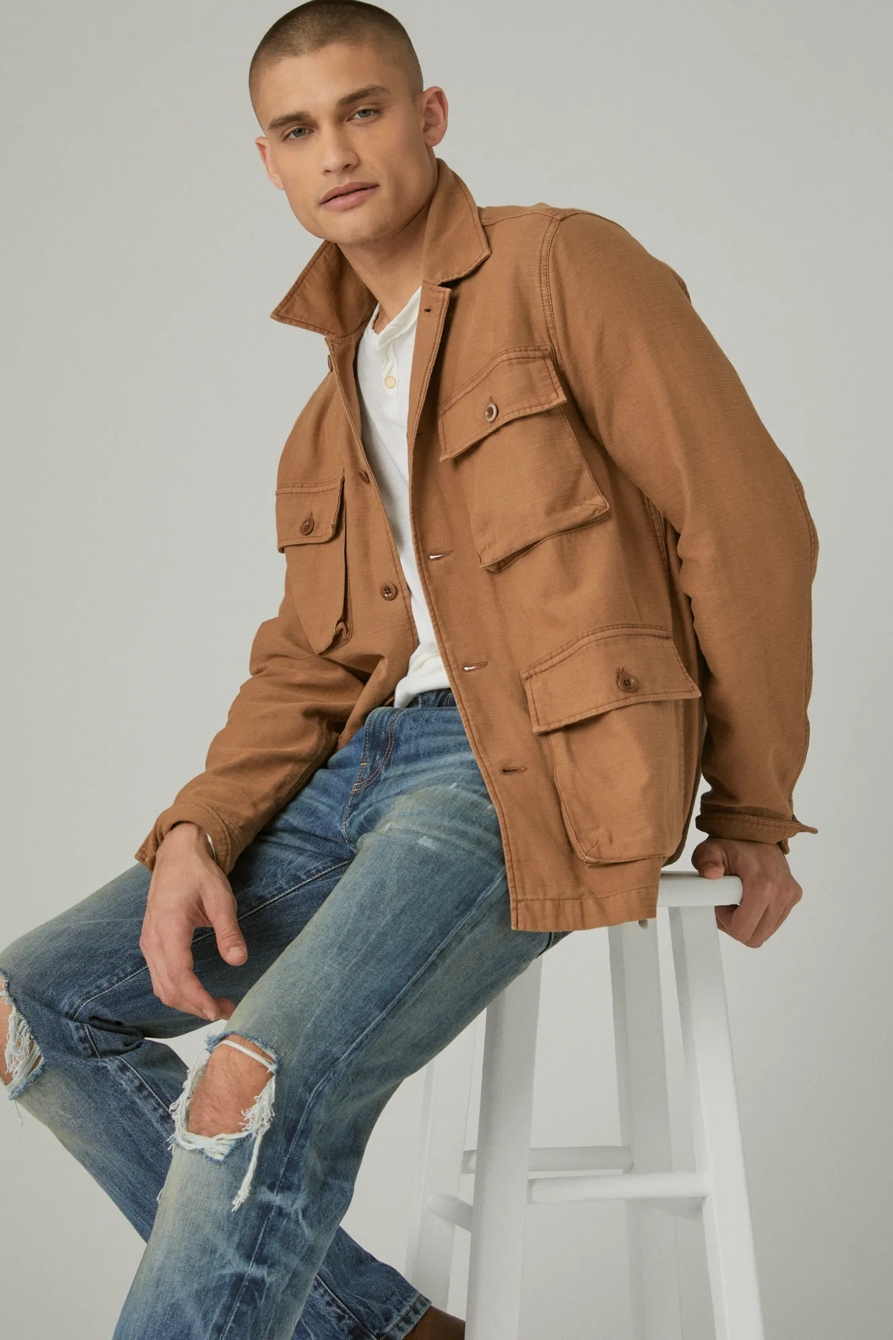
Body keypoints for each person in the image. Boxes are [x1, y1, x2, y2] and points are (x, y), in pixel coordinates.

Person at [0, 2, 819, 1336]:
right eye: (297, 130)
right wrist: (196, 830)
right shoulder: (328, 411)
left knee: (255, 1081)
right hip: (368, 770)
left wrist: (755, 806)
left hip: (525, 769)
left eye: (363, 110)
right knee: (33, 1004)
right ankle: (381, 1328)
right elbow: (309, 665)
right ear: (266, 160)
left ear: (429, 116)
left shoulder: (562, 266)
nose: (334, 151)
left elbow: (745, 525)